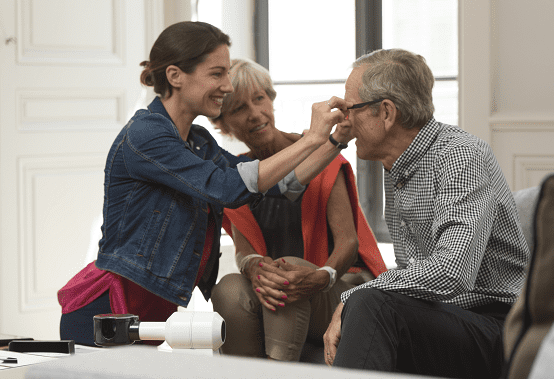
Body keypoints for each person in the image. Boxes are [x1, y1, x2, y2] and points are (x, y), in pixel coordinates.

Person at [57, 21, 352, 346]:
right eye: (217, 74)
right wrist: (311, 139)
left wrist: (335, 140)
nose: (227, 86)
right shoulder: (146, 135)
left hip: (150, 309)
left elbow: (274, 185)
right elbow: (228, 187)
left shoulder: (197, 142)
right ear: (175, 76)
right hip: (105, 309)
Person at [322, 49, 530, 378]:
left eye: (351, 109)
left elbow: (451, 273)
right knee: (368, 304)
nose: (344, 120)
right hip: (445, 317)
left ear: (386, 113)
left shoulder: (461, 156)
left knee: (368, 303)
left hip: (500, 329)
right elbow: (414, 278)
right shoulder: (397, 166)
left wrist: (355, 294)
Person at [207, 59, 388, 361]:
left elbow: (348, 243)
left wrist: (321, 276)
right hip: (282, 290)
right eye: (238, 108)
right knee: (228, 289)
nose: (254, 114)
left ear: (272, 99)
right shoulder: (234, 173)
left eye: (259, 99)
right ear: (223, 124)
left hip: (341, 286)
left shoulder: (322, 152)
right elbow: (243, 250)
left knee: (289, 271)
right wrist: (255, 268)